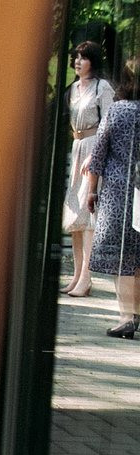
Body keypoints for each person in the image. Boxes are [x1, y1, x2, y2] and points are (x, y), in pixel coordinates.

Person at [86, 58, 140, 338]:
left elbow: (98, 153)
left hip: (119, 192)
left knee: (122, 257)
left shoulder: (118, 111)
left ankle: (126, 317)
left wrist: (92, 190)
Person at [63, 39, 117, 297]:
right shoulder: (73, 88)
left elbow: (108, 124)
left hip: (93, 149)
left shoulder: (101, 87)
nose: (77, 61)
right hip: (77, 147)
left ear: (92, 62)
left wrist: (95, 155)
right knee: (75, 217)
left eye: (83, 57)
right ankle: (75, 277)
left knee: (88, 216)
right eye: (76, 57)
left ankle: (87, 277)